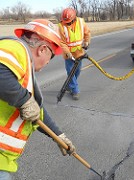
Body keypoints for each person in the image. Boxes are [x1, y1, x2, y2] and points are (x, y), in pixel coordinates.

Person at [0, 19, 76, 180]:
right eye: (51, 56)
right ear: (42, 49)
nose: (48, 63)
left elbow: (36, 110)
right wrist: (24, 101)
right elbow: (27, 102)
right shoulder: (17, 48)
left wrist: (58, 136)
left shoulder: (20, 69)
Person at [58, 8, 91, 100]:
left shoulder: (81, 22)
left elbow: (87, 33)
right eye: (66, 22)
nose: (67, 23)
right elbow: (62, 42)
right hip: (68, 55)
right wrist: (68, 53)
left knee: (77, 71)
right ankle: (75, 91)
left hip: (79, 53)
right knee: (70, 72)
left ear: (74, 18)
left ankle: (70, 85)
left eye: (69, 22)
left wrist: (87, 42)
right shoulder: (61, 26)